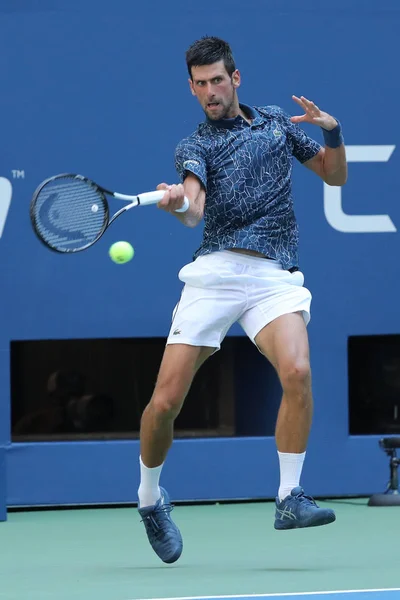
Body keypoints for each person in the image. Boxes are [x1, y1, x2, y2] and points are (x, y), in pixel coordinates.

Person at [137, 36, 347, 564]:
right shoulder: (195, 145)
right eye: (199, 84)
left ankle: (289, 497)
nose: (209, 91)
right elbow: (193, 209)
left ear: (236, 78)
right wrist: (178, 205)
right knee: (165, 403)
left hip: (274, 277)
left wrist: (333, 131)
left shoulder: (276, 123)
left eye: (217, 80)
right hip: (214, 273)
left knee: (297, 372)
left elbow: (335, 174)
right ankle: (148, 498)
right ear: (191, 87)